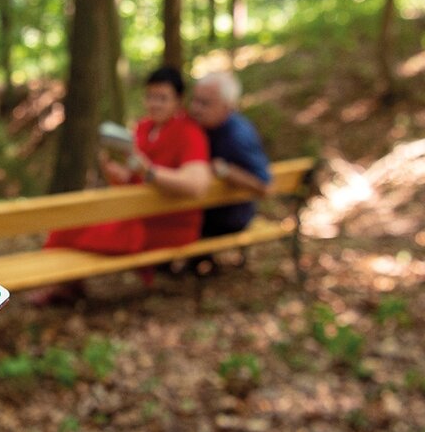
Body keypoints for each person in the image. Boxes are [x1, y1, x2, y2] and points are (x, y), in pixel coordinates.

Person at [31, 66, 211, 304]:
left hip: (165, 224)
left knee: (71, 231)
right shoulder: (144, 128)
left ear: (178, 101)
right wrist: (114, 171)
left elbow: (196, 186)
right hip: (136, 215)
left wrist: (149, 171)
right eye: (150, 97)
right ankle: (68, 284)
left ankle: (65, 285)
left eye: (162, 98)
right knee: (70, 224)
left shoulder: (189, 133)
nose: (154, 104)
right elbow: (132, 180)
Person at [188, 71, 272, 239]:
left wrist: (226, 171)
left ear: (227, 107)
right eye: (195, 100)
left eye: (205, 103)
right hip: (203, 210)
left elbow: (265, 186)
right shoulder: (198, 128)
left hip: (228, 218)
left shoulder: (237, 136)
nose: (195, 108)